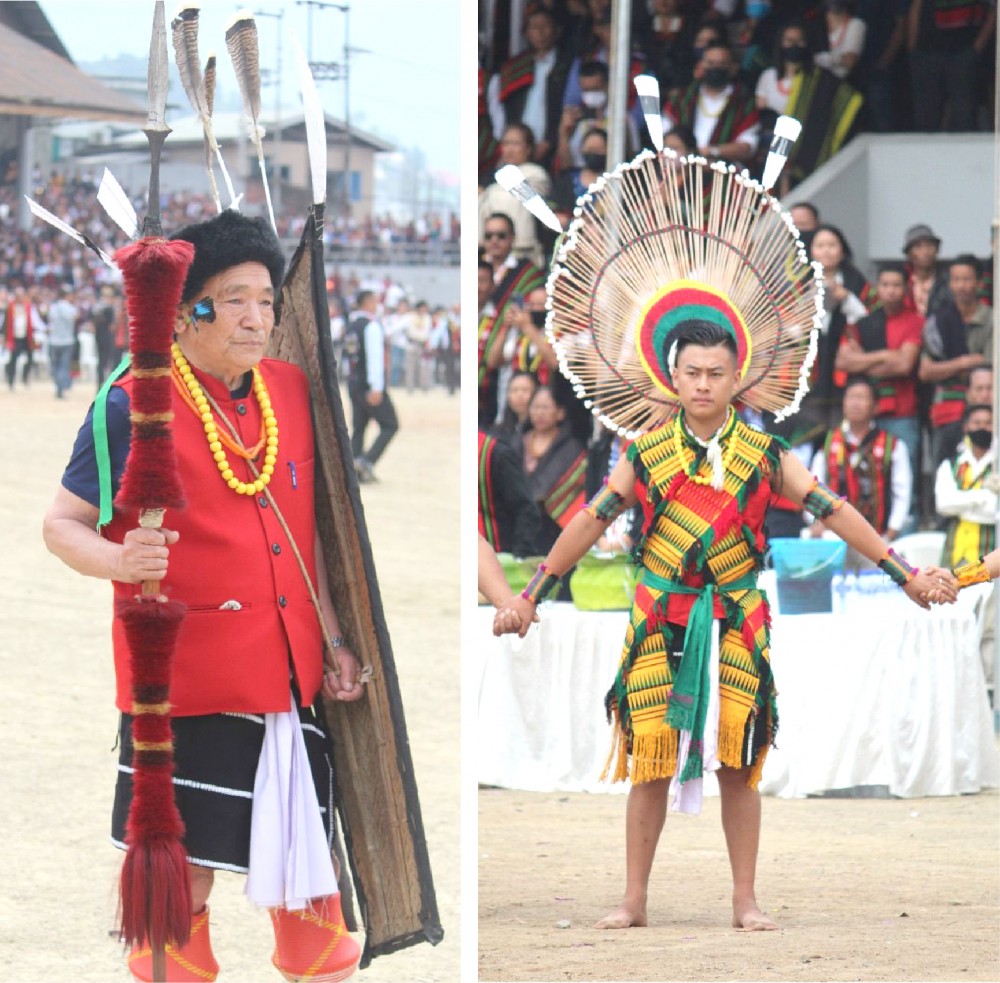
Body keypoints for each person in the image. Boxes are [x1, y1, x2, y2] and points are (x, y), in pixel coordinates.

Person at [496, 321, 950, 933]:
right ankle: (634, 900)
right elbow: (587, 520)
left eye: (716, 373)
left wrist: (905, 573)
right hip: (661, 619)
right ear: (673, 377)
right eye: (693, 373)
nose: (704, 384)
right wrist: (529, 595)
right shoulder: (645, 453)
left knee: (740, 762)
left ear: (737, 379)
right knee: (649, 760)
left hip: (735, 618)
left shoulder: (766, 455)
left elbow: (835, 512)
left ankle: (745, 900)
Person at [41, 210, 364, 982]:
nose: (257, 318)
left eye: (265, 299)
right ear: (187, 312)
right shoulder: (129, 404)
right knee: (182, 892)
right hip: (186, 684)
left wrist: (336, 636)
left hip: (290, 678)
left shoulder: (291, 389)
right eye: (235, 300)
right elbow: (61, 525)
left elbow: (309, 534)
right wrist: (119, 557)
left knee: (315, 913)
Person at [835, 264, 923, 522]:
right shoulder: (866, 322)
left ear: (906, 289)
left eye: (896, 285)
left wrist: (865, 360)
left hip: (903, 412)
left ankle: (905, 531)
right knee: (866, 476)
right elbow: (844, 362)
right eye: (885, 285)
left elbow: (905, 364)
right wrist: (886, 355)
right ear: (877, 288)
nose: (890, 291)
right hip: (868, 413)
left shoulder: (914, 321)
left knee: (905, 478)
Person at [809, 376, 912, 550]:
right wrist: (816, 521)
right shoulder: (828, 444)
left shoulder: (892, 446)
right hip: (834, 539)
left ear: (876, 406)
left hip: (879, 538)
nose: (855, 403)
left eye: (862, 398)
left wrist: (892, 531)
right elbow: (812, 488)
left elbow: (902, 492)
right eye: (851, 397)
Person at [919, 254, 993, 474]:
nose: (961, 286)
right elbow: (925, 371)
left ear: (979, 283)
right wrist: (965, 361)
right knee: (944, 465)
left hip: (985, 405)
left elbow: (988, 366)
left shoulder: (992, 318)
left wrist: (945, 368)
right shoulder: (938, 320)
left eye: (967, 279)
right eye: (956, 279)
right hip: (946, 407)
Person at [803, 223, 875, 437]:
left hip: (845, 364)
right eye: (820, 245)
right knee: (808, 434)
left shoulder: (857, 282)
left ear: (842, 250)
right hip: (810, 367)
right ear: (811, 251)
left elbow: (871, 323)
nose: (826, 250)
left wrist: (847, 299)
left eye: (832, 245)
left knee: (840, 432)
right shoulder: (800, 283)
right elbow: (789, 328)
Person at [486, 7, 573, 170]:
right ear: (526, 33)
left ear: (557, 30)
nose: (540, 33)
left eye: (545, 26)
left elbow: (566, 106)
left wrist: (549, 140)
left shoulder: (566, 65)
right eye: (534, 27)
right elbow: (505, 108)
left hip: (551, 143)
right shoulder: (516, 66)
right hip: (520, 143)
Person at [479, 213, 545, 427]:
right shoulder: (476, 266)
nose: (494, 241)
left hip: (510, 359)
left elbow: (536, 312)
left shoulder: (527, 273)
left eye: (501, 235)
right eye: (489, 236)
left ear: (513, 238)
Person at [514, 384, 587, 558]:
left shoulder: (571, 447)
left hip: (555, 530)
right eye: (536, 407)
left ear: (560, 412)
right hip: (521, 527)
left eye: (545, 407)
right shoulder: (517, 442)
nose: (539, 413)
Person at [662, 41, 760, 165]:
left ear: (732, 67)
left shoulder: (743, 103)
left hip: (722, 171)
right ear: (701, 65)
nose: (715, 68)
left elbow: (748, 147)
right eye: (710, 63)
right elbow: (664, 133)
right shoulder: (682, 98)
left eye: (721, 64)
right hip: (680, 168)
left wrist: (713, 151)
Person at [346, 289, 398, 483]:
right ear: (367, 303)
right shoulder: (371, 326)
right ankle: (366, 462)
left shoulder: (351, 325)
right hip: (369, 383)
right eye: (375, 301)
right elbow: (375, 358)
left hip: (354, 381)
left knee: (359, 427)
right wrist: (376, 386)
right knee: (390, 424)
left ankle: (353, 471)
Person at [935, 402, 997, 567]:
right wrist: (983, 496)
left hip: (990, 556)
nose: (982, 428)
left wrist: (961, 504)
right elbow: (943, 505)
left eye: (988, 423)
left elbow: (994, 512)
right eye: (976, 423)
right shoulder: (950, 464)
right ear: (966, 427)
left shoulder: (997, 465)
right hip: (955, 554)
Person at [3, 283, 45, 390]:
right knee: (13, 360)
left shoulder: (28, 307)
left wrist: (43, 328)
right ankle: (11, 382)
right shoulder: (10, 308)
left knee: (30, 358)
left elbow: (35, 320)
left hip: (26, 337)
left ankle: (25, 377)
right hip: (15, 337)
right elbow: (5, 323)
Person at [46, 284, 78, 400]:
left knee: (55, 366)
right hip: (67, 341)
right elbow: (76, 318)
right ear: (67, 296)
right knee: (64, 366)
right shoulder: (70, 308)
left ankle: (58, 386)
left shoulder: (53, 307)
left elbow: (50, 321)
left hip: (54, 340)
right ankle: (61, 387)